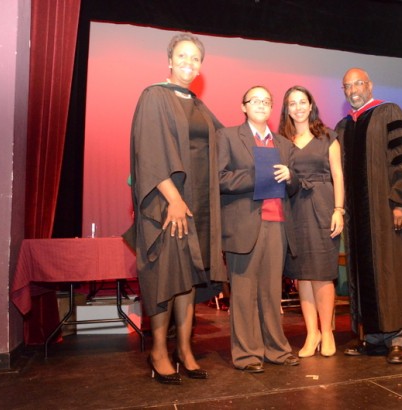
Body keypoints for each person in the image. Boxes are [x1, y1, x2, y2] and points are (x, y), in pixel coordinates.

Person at [128, 33, 226, 384]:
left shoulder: (198, 106)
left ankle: (184, 350)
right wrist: (174, 199)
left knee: (188, 280)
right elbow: (150, 152)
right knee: (167, 276)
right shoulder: (154, 96)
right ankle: (158, 351)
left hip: (196, 204)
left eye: (195, 58)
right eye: (182, 56)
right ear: (169, 61)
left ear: (201, 67)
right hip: (167, 204)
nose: (189, 62)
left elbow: (224, 143)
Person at [335, 68, 402, 365]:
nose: (353, 90)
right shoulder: (343, 127)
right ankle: (373, 338)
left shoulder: (389, 113)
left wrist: (401, 203)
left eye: (358, 83)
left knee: (392, 270)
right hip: (357, 218)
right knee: (363, 273)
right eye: (347, 86)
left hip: (386, 211)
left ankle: (397, 339)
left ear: (370, 85)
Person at [217, 85, 301, 372]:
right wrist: (256, 175)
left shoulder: (284, 144)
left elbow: (295, 186)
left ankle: (276, 350)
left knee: (271, 292)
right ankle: (246, 354)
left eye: (267, 101)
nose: (262, 105)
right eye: (255, 100)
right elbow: (219, 178)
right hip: (243, 226)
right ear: (244, 106)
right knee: (243, 294)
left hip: (277, 225)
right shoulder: (228, 136)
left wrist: (291, 177)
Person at [278, 86, 344, 358]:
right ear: (287, 109)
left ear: (311, 105)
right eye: (292, 103)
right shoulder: (283, 140)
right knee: (302, 274)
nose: (298, 107)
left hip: (323, 205)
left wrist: (338, 210)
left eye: (302, 102)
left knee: (322, 272)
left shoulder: (327, 136)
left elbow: (338, 175)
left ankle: (327, 332)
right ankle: (311, 332)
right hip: (294, 208)